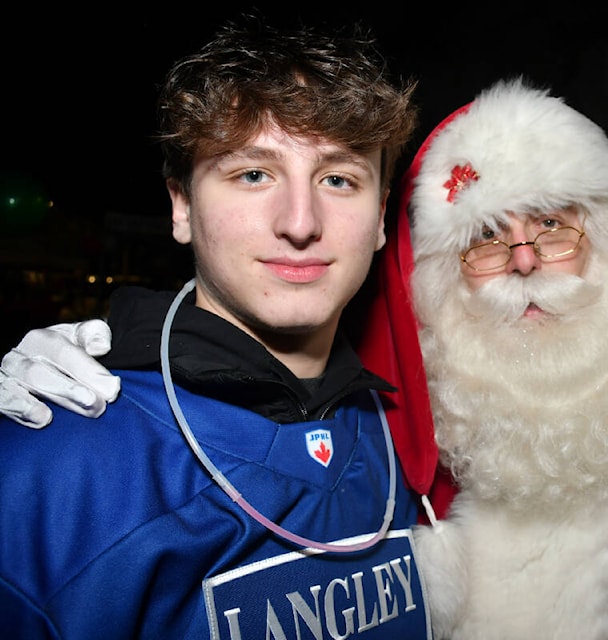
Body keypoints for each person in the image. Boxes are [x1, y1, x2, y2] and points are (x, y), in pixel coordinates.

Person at [4, 80, 608, 639]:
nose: (527, 260)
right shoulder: (400, 429)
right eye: (487, 239)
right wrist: (108, 360)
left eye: (555, 226)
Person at [0, 16, 437, 639]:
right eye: (253, 174)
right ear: (181, 206)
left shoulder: (403, 434)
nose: (300, 221)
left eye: (339, 178)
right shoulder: (49, 476)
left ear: (380, 219)